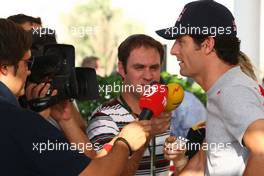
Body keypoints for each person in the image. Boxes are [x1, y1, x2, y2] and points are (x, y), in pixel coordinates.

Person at [0, 18, 149, 176]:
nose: (29, 72)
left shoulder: (23, 122)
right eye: (27, 63)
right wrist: (125, 142)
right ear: (4, 67)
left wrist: (65, 120)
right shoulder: (20, 122)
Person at [156, 0, 264, 175]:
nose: (173, 50)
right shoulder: (223, 89)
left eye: (181, 41)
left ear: (207, 44)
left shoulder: (232, 92)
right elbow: (199, 165)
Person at [86, 34, 172, 175]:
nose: (148, 76)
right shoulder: (104, 119)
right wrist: (147, 134)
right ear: (121, 69)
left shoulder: (161, 111)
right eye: (139, 67)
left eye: (154, 68)